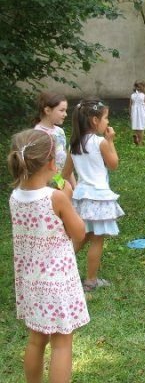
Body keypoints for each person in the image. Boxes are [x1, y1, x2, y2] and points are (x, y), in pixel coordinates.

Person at [8, 129, 89, 382]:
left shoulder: (15, 196)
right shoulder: (55, 197)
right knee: (62, 343)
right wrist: (67, 197)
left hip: (31, 281)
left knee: (36, 339)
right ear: (52, 162)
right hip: (57, 282)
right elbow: (79, 233)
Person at [63, 98, 124, 292]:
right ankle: (90, 280)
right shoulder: (100, 143)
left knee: (82, 236)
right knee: (97, 239)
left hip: (81, 198)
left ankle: (59, 270)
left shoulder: (74, 145)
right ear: (95, 121)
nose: (107, 122)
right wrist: (110, 141)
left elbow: (64, 174)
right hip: (99, 197)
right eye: (106, 118)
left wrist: (57, 187)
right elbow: (113, 164)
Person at [33, 91, 75, 196]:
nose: (65, 114)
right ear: (47, 110)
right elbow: (41, 166)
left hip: (62, 181)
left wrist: (74, 185)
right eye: (62, 110)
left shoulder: (59, 131)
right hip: (49, 186)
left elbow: (66, 160)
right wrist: (61, 184)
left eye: (65, 110)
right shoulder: (39, 134)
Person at [130, 80, 145, 146]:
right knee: (142, 128)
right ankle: (140, 142)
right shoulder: (144, 96)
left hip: (134, 113)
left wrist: (130, 114)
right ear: (143, 87)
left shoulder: (132, 96)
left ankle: (136, 136)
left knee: (136, 126)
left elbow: (130, 105)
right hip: (142, 113)